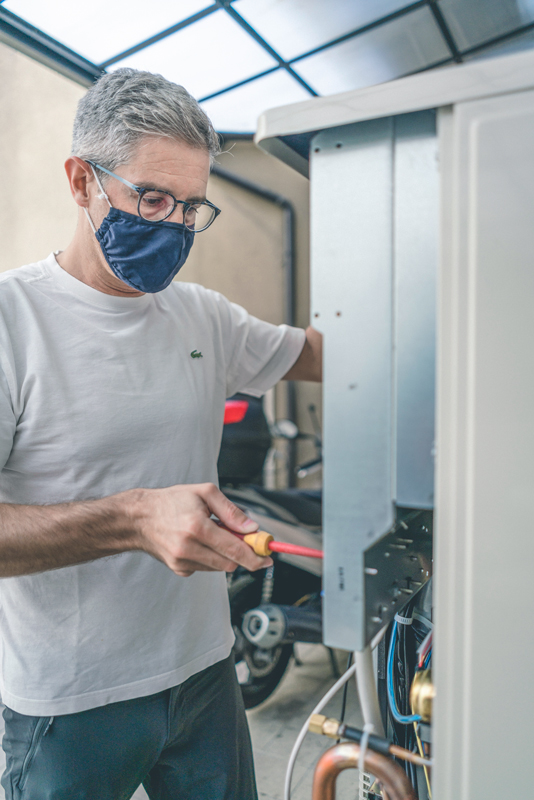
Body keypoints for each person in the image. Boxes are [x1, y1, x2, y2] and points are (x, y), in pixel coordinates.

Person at [0, 69, 322, 799]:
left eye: (192, 207)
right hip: (69, 704)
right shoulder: (13, 324)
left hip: (206, 674)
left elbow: (318, 353)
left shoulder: (203, 315)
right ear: (81, 180)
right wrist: (132, 518)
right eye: (151, 198)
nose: (174, 225)